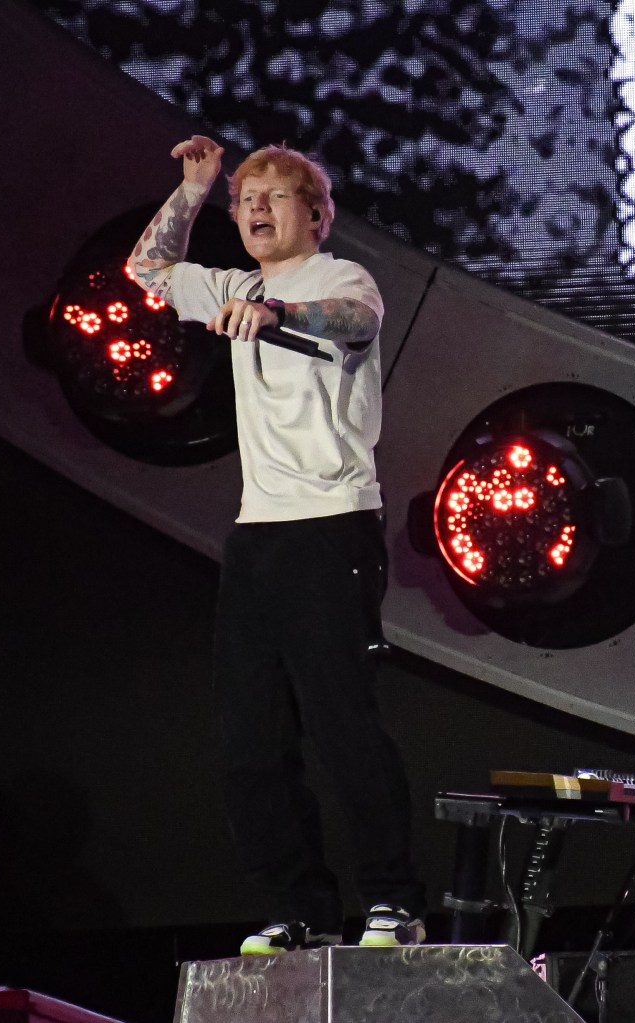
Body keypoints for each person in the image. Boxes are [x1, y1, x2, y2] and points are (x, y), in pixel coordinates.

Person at [128, 135, 426, 954]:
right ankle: (301, 909)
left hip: (331, 525)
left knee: (341, 722)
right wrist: (194, 189)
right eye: (245, 199)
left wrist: (279, 314)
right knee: (248, 740)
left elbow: (354, 321)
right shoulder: (233, 284)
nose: (255, 209)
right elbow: (147, 270)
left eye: (274, 196)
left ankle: (393, 900)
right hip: (257, 534)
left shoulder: (339, 278)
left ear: (317, 215)